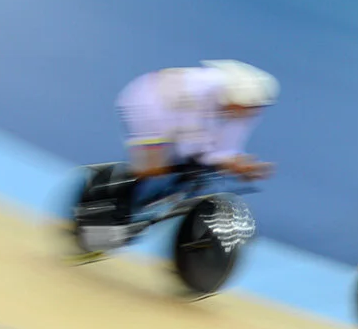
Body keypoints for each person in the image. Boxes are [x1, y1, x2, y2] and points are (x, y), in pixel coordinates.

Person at [109, 59, 277, 216]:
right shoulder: (201, 91)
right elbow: (191, 146)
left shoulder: (247, 105)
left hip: (181, 111)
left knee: (194, 168)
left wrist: (241, 163)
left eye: (250, 109)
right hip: (150, 102)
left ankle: (149, 206)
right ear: (230, 97)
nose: (246, 113)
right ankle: (112, 202)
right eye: (240, 107)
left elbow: (226, 148)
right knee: (154, 168)